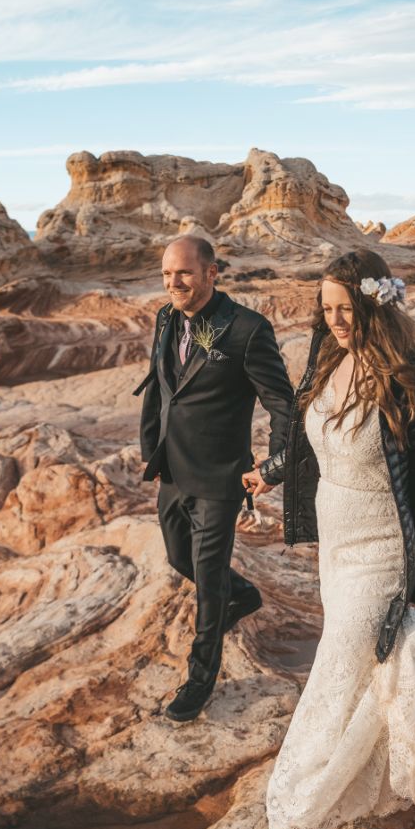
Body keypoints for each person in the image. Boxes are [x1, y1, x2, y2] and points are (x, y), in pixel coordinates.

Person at [230, 249, 415, 829]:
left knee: (334, 674)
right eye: (326, 309)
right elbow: (313, 436)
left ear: (374, 304)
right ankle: (380, 787)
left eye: (346, 308)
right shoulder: (330, 360)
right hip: (335, 547)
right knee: (361, 673)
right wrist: (269, 473)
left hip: (385, 551)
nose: (335, 320)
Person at [136, 235, 295, 722]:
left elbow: (283, 405)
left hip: (221, 478)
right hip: (173, 470)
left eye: (183, 273)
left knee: (207, 584)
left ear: (212, 273)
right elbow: (162, 385)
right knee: (178, 556)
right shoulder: (166, 317)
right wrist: (151, 446)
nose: (173, 282)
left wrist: (274, 467)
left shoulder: (247, 329)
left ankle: (199, 680)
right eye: (166, 274)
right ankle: (242, 594)